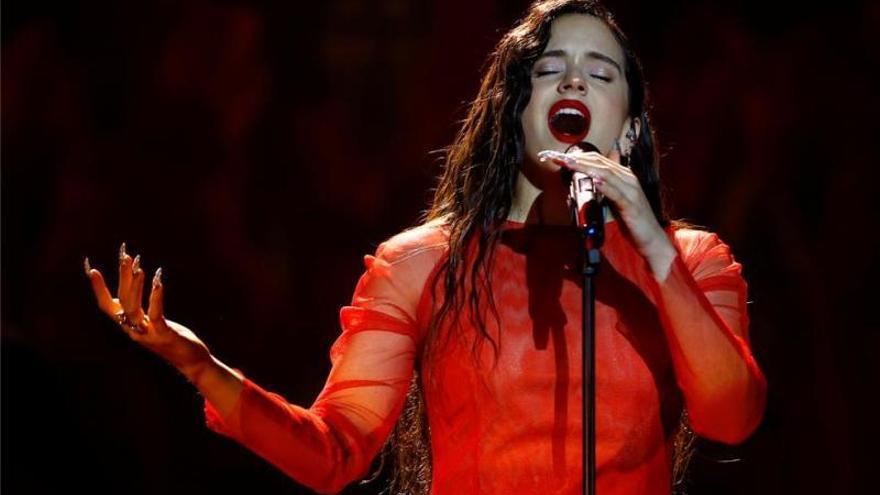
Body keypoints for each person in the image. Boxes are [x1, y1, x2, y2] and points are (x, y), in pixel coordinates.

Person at [85, 1, 767, 494]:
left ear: (629, 124)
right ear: (511, 108)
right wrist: (200, 365)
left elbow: (730, 418)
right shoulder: (423, 261)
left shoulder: (691, 261)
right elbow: (333, 452)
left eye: (601, 71)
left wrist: (649, 242)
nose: (574, 82)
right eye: (550, 67)